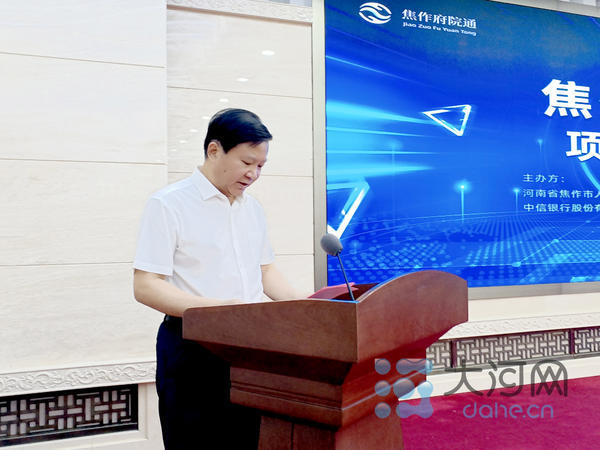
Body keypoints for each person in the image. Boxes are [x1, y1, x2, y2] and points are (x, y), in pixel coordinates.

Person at [132, 108, 302, 449]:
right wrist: (219, 310)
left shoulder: (251, 208)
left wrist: (309, 308)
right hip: (192, 348)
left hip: (250, 347)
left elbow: (265, 271)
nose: (254, 174)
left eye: (261, 166)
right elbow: (146, 285)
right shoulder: (168, 204)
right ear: (214, 150)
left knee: (248, 440)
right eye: (247, 162)